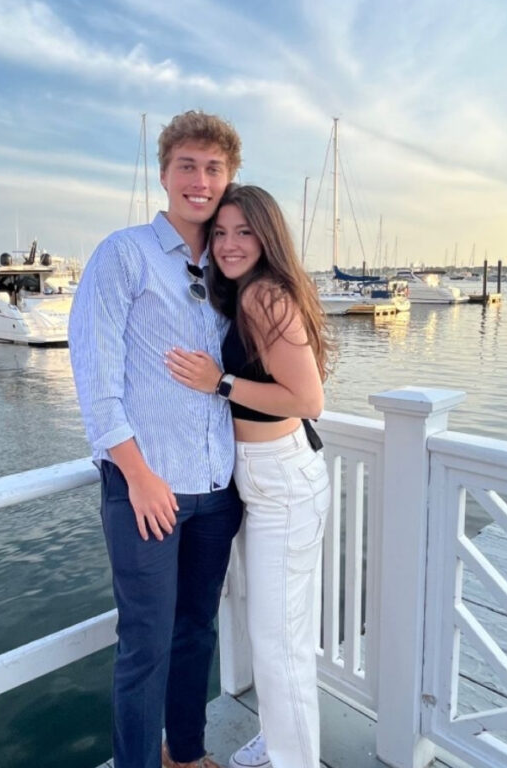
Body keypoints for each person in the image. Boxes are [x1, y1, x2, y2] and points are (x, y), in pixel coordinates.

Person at [68, 111, 243, 768]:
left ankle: (187, 754)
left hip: (217, 488)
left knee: (196, 632)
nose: (200, 181)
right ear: (165, 172)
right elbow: (94, 373)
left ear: (229, 177)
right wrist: (138, 476)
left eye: (214, 168)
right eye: (188, 166)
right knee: (146, 645)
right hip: (149, 485)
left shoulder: (229, 263)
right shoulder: (125, 253)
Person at [165, 184, 332, 768]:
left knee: (278, 641)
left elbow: (308, 398)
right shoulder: (247, 294)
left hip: (283, 482)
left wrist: (221, 382)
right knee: (277, 634)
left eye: (244, 231)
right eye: (221, 232)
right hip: (264, 480)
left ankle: (296, 758)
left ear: (267, 236)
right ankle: (284, 737)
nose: (230, 244)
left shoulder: (263, 296)